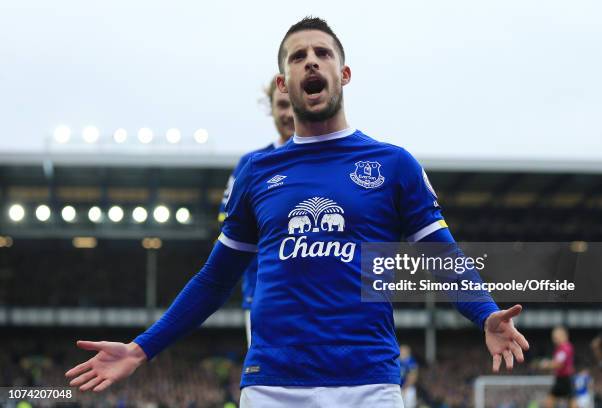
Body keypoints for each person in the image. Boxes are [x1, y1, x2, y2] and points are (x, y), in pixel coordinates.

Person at [65, 17, 529, 407]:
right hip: (272, 386)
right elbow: (214, 279)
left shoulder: (394, 164)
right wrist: (142, 348)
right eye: (298, 55)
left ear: (344, 74)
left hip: (368, 384)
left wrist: (484, 313)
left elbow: (440, 255)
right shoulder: (257, 172)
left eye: (323, 53)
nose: (311, 60)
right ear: (284, 84)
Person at [218, 76, 294, 346]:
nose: (287, 113)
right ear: (270, 109)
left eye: (292, 104)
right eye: (281, 105)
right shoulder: (251, 165)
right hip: (265, 296)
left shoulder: (335, 160)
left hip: (326, 298)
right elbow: (228, 224)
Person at [538, 326, 577, 408]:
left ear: (564, 336)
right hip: (561, 378)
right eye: (553, 337)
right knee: (569, 399)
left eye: (556, 337)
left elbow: (558, 364)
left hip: (566, 378)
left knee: (569, 400)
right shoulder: (560, 348)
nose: (554, 339)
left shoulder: (565, 348)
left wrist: (546, 365)